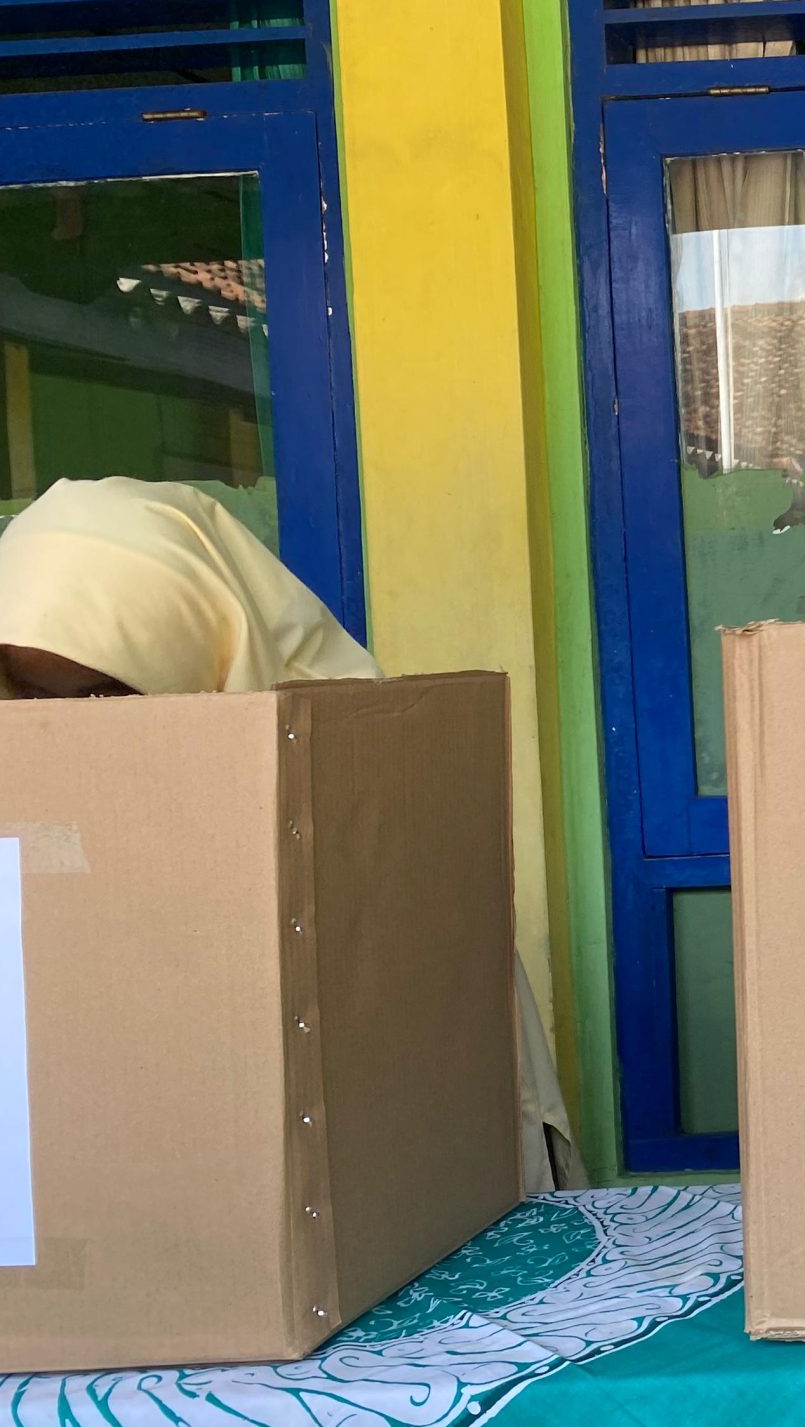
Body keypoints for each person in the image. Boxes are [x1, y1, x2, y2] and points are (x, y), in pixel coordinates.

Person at [0, 477, 582, 1194]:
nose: (60, 725)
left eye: (100, 692)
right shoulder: (34, 770)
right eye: (28, 692)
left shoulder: (357, 765)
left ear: (193, 645)